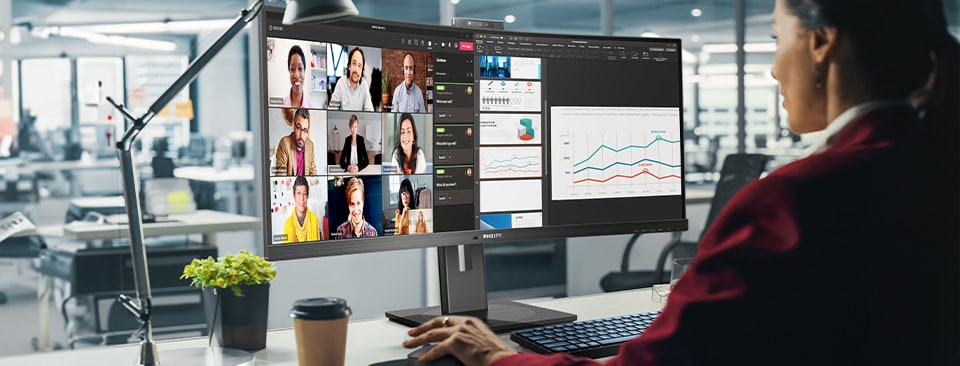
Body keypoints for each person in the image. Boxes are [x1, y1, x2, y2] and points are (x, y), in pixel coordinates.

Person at [402, 1, 960, 365]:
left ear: (821, 43)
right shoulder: (926, 165)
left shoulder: (795, 201)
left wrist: (498, 358)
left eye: (774, 39)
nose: (771, 68)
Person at [274, 108, 317, 176]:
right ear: (294, 127)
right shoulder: (284, 143)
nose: (302, 135)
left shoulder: (310, 145)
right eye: (299, 128)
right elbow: (280, 176)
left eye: (305, 130)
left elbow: (313, 173)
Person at [329, 47, 374, 111]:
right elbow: (331, 110)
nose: (356, 70)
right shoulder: (341, 83)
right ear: (349, 66)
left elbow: (370, 111)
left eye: (359, 66)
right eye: (354, 63)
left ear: (362, 71)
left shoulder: (364, 85)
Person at [283, 176, 320, 243]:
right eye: (298, 193)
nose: (302, 198)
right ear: (294, 197)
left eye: (304, 194)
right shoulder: (288, 224)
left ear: (307, 196)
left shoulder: (314, 218)